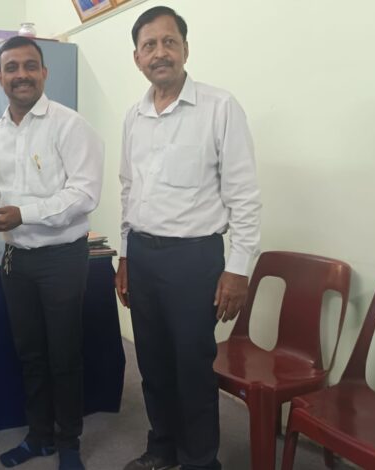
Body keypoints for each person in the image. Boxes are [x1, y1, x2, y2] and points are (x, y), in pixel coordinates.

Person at [115, 6, 262, 470]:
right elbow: (127, 190)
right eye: (149, 45)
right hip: (143, 255)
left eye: (169, 42)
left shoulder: (220, 107)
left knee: (193, 365)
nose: (160, 52)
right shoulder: (134, 117)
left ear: (185, 48)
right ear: (137, 57)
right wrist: (125, 257)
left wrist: (238, 269)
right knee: (152, 364)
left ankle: (200, 460)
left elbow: (244, 196)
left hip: (194, 259)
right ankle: (162, 447)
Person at [0, 36, 104, 470]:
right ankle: (39, 436)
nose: (22, 75)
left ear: (44, 73)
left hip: (62, 259)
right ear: (0, 78)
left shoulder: (70, 126)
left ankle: (69, 443)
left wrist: (23, 213)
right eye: (12, 68)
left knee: (64, 355)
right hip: (16, 260)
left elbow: (84, 195)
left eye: (30, 66)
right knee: (30, 354)